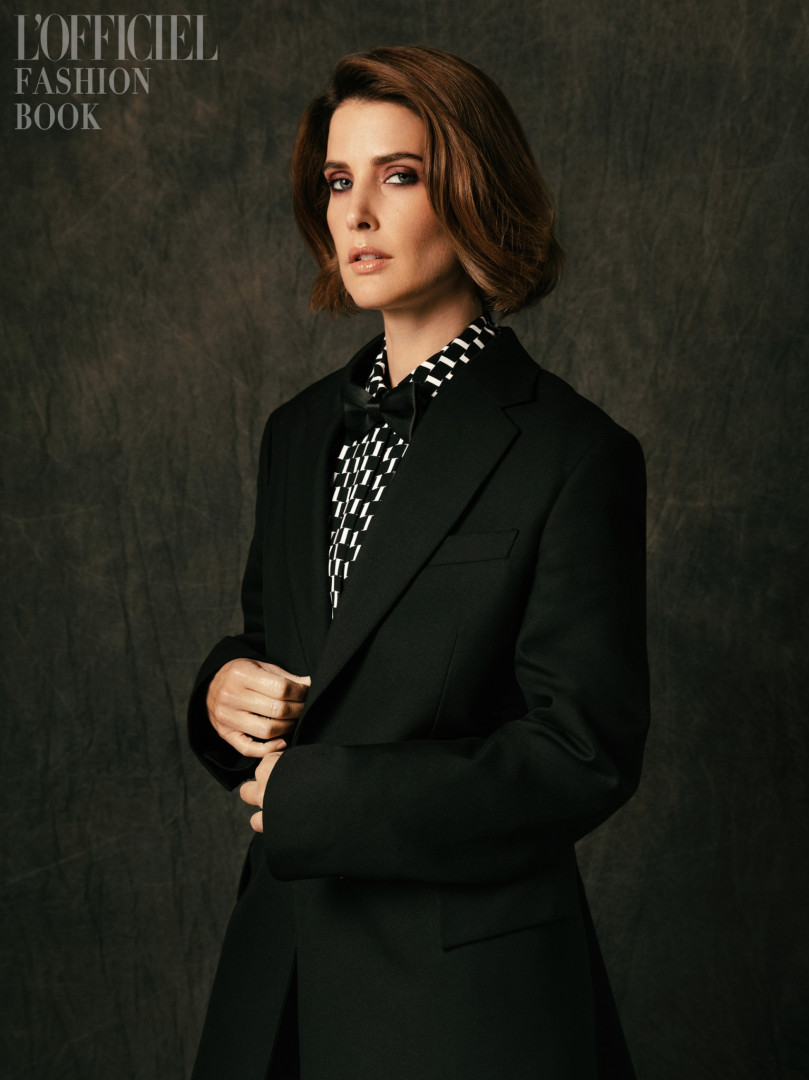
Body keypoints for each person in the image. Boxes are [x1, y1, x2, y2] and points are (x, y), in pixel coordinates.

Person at [187, 45, 649, 1080]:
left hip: (461, 1012)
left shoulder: (574, 453)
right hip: (275, 987)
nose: (354, 214)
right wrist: (221, 690)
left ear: (475, 191)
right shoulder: (296, 431)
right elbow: (285, 646)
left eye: (398, 176)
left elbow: (580, 754)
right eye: (336, 181)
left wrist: (324, 799)